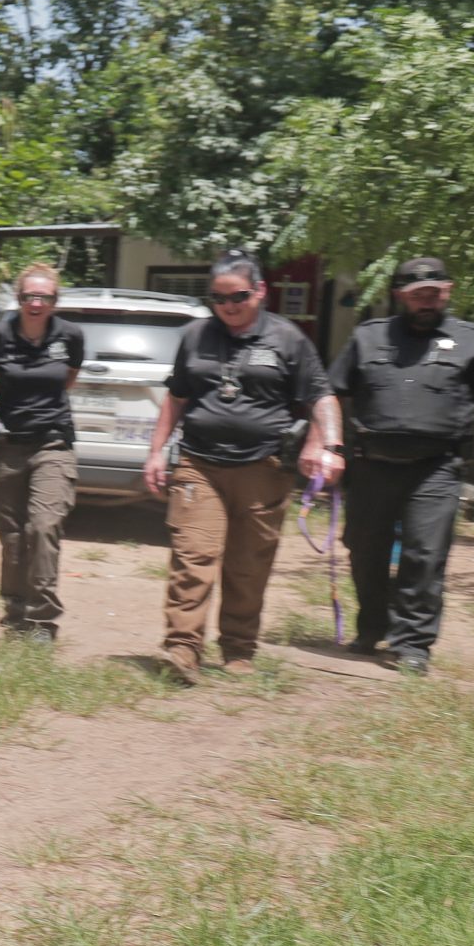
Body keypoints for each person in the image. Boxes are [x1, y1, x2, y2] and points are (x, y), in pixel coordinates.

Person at [140, 251, 342, 684]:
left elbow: (321, 397)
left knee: (248, 564)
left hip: (263, 468)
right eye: (219, 298)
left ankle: (238, 648)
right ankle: (182, 647)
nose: (228, 306)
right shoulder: (195, 336)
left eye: (239, 296)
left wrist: (327, 444)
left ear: (261, 291)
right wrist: (156, 452)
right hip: (200, 463)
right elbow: (176, 398)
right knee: (193, 555)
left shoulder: (289, 340)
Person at [329, 256, 474, 677]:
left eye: (435, 293)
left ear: (447, 291)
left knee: (424, 555)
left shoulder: (473, 341)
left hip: (435, 469)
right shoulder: (368, 338)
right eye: (418, 295)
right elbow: (331, 394)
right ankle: (372, 627)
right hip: (371, 466)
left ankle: (412, 644)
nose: (427, 301)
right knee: (364, 551)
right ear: (400, 296)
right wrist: (330, 447)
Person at [0, 263, 86, 641]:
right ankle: (15, 611)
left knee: (43, 526)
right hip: (8, 445)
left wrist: (45, 407)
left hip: (54, 444)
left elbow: (69, 377)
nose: (36, 303)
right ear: (19, 298)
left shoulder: (70, 336)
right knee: (11, 534)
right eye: (29, 296)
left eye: (45, 297)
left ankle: (42, 620)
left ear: (55, 300)